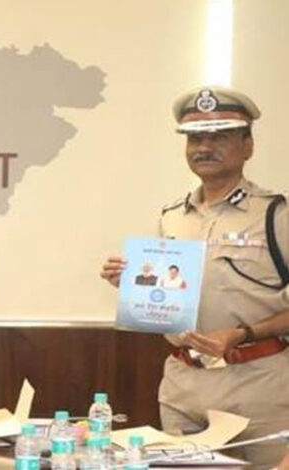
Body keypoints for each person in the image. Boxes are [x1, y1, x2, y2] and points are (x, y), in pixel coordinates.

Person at [100, 86, 289, 467]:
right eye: (195, 138)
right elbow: (169, 296)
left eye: (220, 137)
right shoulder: (172, 216)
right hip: (183, 385)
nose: (204, 147)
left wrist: (242, 334)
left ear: (248, 145)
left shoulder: (276, 215)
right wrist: (133, 283)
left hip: (259, 385)